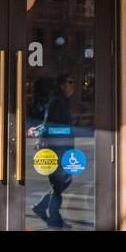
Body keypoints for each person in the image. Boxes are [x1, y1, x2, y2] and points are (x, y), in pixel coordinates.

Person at [32, 74, 76, 229]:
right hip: (56, 149)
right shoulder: (57, 101)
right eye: (70, 82)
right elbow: (49, 125)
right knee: (61, 182)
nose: (73, 85)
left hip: (59, 148)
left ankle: (42, 208)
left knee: (61, 183)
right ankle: (55, 220)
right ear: (62, 85)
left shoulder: (61, 100)